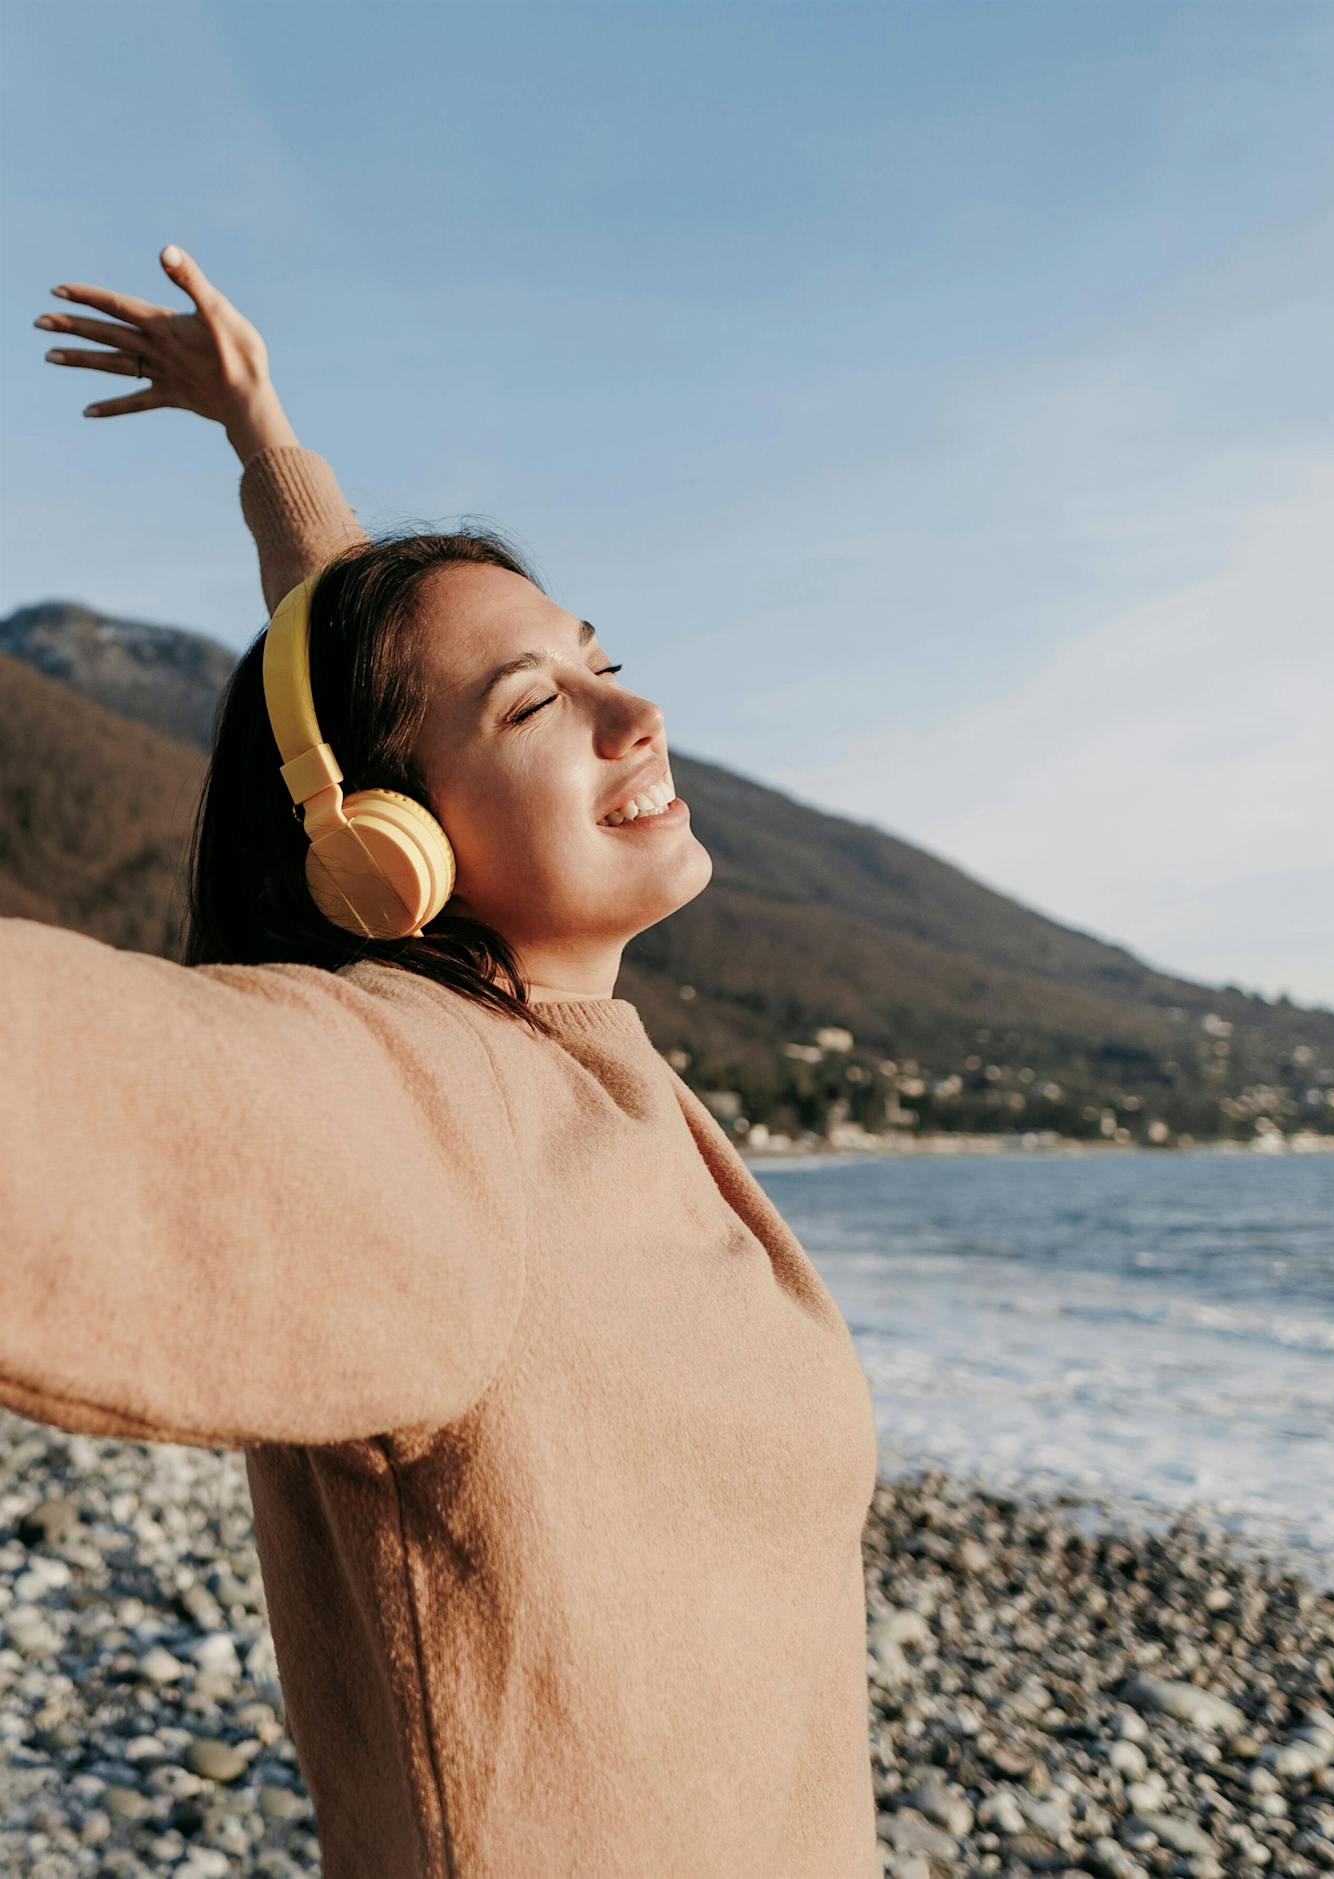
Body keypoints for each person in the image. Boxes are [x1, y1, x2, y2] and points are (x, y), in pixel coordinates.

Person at [10, 245, 883, 1878]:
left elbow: (369, 692)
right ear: (384, 851)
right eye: (544, 705)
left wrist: (266, 447)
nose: (636, 718)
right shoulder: (421, 1112)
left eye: (601, 659)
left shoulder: (557, 1064)